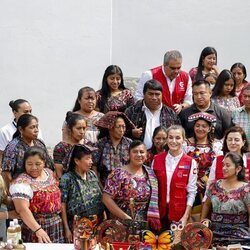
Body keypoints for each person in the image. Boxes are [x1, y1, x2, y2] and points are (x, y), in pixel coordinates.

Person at [9, 146, 64, 243]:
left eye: (38, 164)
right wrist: (38, 230)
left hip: (56, 225)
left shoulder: (49, 173)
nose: (34, 168)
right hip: (34, 227)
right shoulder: (22, 182)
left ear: (44, 163)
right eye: (29, 164)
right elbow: (22, 209)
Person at [103, 140, 161, 231]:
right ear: (129, 154)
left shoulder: (150, 173)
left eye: (142, 152)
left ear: (146, 155)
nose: (139, 155)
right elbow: (106, 198)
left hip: (144, 227)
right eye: (135, 152)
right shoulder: (118, 174)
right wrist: (126, 218)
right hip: (122, 224)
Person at [152, 125, 198, 229]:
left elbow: (192, 192)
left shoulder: (190, 162)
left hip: (179, 215)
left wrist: (185, 217)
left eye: (178, 138)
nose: (174, 141)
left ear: (183, 140)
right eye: (170, 137)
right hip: (159, 214)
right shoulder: (156, 159)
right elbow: (152, 188)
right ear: (167, 139)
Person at [201, 152, 250, 246]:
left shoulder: (246, 189)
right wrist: (201, 224)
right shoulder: (214, 185)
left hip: (238, 235)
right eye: (223, 165)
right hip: (214, 233)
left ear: (238, 168)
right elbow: (207, 204)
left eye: (227, 165)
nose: (224, 168)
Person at [60, 144, 104, 243]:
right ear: (76, 161)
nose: (91, 162)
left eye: (91, 158)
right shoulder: (67, 179)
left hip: (97, 223)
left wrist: (104, 216)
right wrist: (67, 229)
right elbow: (63, 204)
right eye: (88, 158)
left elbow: (99, 195)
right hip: (77, 226)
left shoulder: (92, 174)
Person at [1, 114, 54, 189]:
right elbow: (6, 173)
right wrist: (12, 192)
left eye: (37, 126)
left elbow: (49, 165)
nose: (36, 130)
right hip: (22, 188)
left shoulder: (39, 144)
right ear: (21, 129)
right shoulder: (12, 148)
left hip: (42, 187)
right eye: (32, 127)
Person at [125, 79, 180, 149]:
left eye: (157, 94)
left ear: (162, 95)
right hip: (138, 156)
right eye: (150, 94)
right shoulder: (132, 111)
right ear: (144, 94)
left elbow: (178, 134)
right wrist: (131, 132)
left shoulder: (171, 114)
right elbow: (121, 133)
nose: (154, 98)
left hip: (164, 156)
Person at [93, 111, 134, 185]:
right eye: (118, 127)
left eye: (123, 127)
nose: (121, 130)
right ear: (110, 128)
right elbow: (94, 166)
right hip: (105, 185)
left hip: (126, 184)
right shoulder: (101, 144)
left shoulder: (129, 143)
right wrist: (99, 185)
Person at [0, 99, 42, 165]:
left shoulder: (37, 129)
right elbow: (1, 156)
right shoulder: (5, 131)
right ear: (15, 113)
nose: (29, 114)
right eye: (26, 112)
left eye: (30, 111)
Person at [54, 112, 87, 178]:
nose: (82, 132)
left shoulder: (87, 145)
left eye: (84, 128)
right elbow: (59, 172)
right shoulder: (61, 148)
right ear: (70, 129)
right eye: (78, 128)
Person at [232, 83, 250, 148]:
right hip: (240, 151)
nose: (247, 99)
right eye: (245, 96)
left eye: (249, 96)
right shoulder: (235, 113)